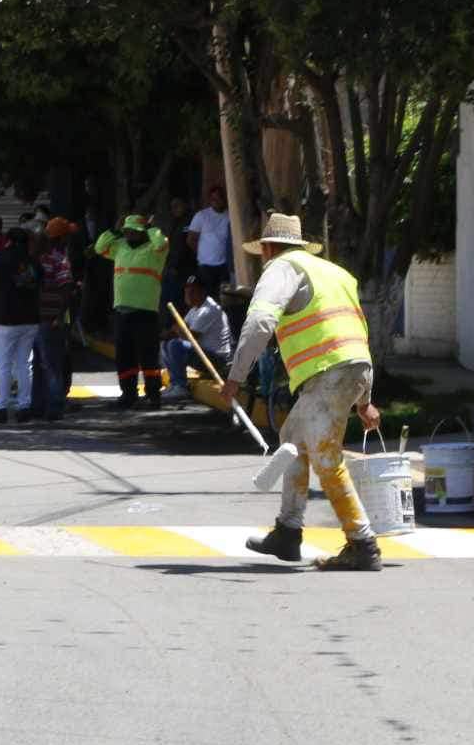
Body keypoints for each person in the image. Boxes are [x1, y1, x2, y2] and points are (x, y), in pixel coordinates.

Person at [218, 212, 385, 571]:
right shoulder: (335, 273)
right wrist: (365, 401)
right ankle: (288, 532)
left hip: (328, 374)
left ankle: (362, 543)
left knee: (327, 457)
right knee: (292, 436)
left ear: (266, 248)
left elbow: (261, 320)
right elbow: (356, 336)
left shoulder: (281, 268)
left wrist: (236, 376)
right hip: (352, 368)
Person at [93, 213, 170, 407]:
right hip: (122, 311)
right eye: (127, 232)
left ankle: (153, 395)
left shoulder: (155, 250)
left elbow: (161, 243)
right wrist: (114, 230)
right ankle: (128, 394)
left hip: (145, 311)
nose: (129, 235)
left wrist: (151, 228)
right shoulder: (120, 247)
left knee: (148, 356)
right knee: (124, 355)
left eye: (134, 232)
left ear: (143, 232)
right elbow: (99, 247)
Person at [0, 225, 42, 424]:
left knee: (3, 364)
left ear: (7, 240)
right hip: (30, 319)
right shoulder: (34, 261)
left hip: (4, 319)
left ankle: (1, 408)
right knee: (24, 364)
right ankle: (25, 406)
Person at [31, 216, 79, 421]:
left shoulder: (37, 257)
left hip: (35, 316)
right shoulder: (59, 259)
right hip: (52, 318)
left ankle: (37, 405)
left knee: (40, 364)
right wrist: (60, 316)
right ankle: (54, 405)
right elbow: (66, 289)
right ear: (62, 238)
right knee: (53, 364)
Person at [161, 276, 231, 398]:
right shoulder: (194, 309)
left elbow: (190, 336)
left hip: (217, 361)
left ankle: (180, 386)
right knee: (165, 344)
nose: (188, 295)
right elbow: (178, 329)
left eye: (192, 292)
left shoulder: (208, 309)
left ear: (202, 292)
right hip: (203, 355)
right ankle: (174, 384)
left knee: (175, 344)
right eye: (186, 292)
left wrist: (177, 329)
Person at [188, 185, 233, 292]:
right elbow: (190, 239)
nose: (216, 201)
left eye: (219, 198)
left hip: (224, 265)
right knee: (209, 296)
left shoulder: (230, 215)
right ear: (210, 200)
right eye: (213, 199)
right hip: (205, 266)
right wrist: (201, 254)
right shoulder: (201, 216)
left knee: (225, 296)